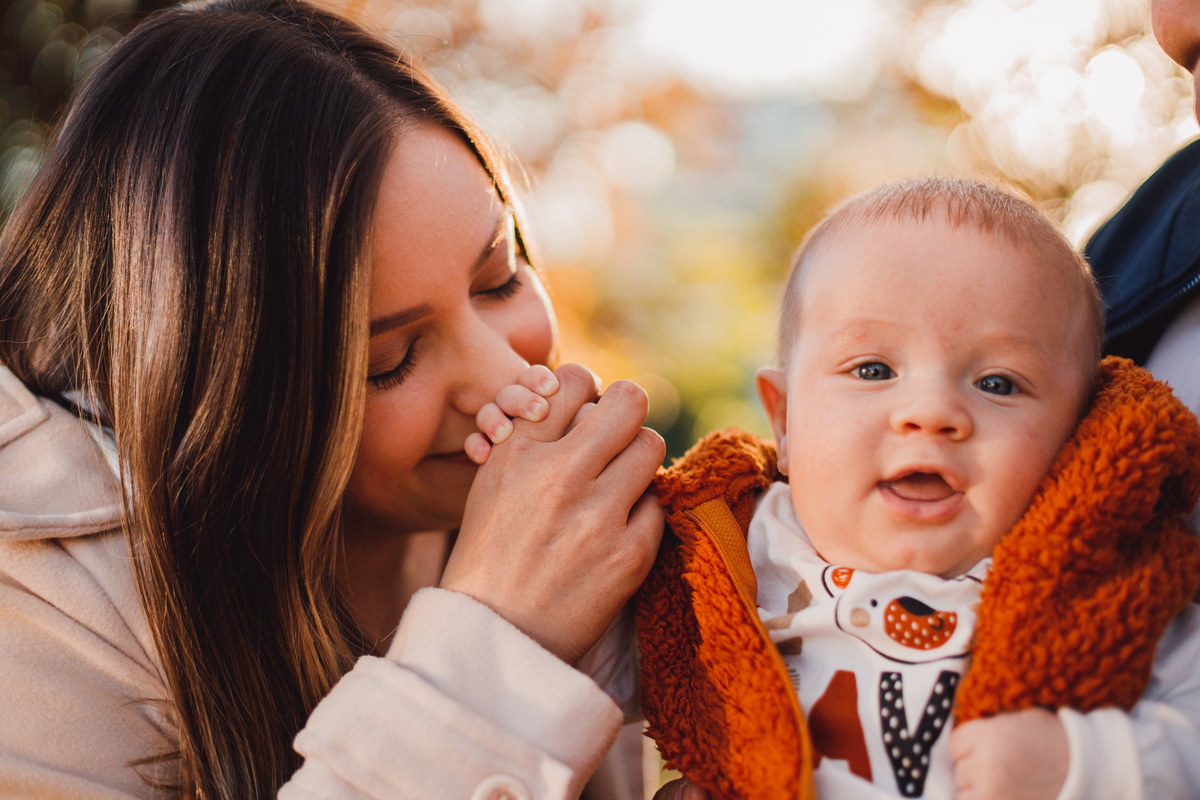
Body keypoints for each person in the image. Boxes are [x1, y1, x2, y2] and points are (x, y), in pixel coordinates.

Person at [0, 1, 665, 798]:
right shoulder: (44, 604)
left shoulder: (542, 526)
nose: (507, 380)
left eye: (501, 278)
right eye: (390, 360)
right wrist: (495, 648)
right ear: (230, 401)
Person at [476, 178, 1200, 799]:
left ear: (1075, 435)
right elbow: (556, 670)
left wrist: (1088, 767)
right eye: (874, 370)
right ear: (785, 420)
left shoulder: (1112, 579)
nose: (931, 413)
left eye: (998, 383)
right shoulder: (724, 560)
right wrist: (533, 439)